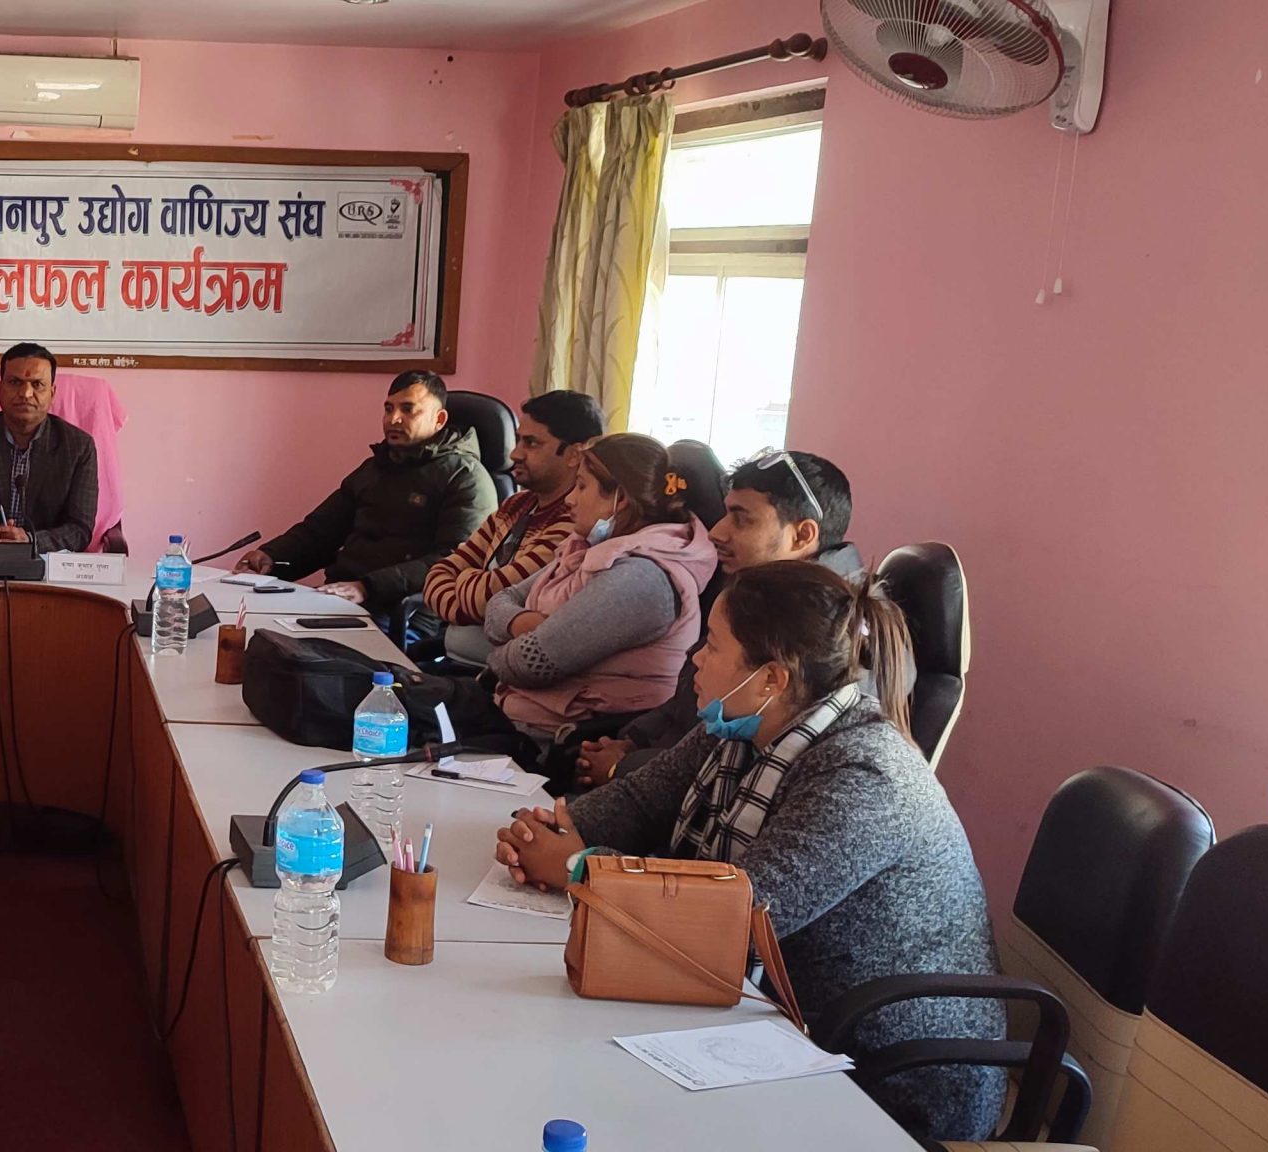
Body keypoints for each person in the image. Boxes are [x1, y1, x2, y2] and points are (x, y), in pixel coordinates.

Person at [493, 563, 1002, 1141]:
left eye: (712, 645)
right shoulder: (741, 724)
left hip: (888, 1078)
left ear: (770, 679)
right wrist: (552, 830)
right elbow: (641, 799)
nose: (696, 658)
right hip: (773, 1020)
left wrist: (577, 866)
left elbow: (736, 918)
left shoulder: (866, 773)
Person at [420, 434, 716, 769]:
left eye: (582, 486)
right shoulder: (583, 546)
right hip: (511, 715)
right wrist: (529, 626)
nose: (570, 500)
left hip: (547, 744)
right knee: (394, 695)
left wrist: (507, 647)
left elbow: (528, 664)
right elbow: (500, 600)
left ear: (619, 499)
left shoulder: (643, 578)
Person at [578, 450, 863, 785]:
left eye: (742, 519)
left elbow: (741, 761)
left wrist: (624, 766)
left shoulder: (833, 635)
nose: (716, 532)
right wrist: (632, 741)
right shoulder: (757, 595)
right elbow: (686, 700)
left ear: (802, 536)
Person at [235, 371, 497, 617]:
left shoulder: (465, 477)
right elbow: (320, 532)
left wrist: (367, 587)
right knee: (256, 628)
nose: (393, 419)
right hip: (340, 598)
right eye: (388, 409)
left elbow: (456, 562)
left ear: (439, 420)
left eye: (408, 409)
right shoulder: (375, 468)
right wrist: (272, 557)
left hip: (406, 614)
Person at [412, 390, 605, 657]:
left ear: (574, 454)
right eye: (518, 440)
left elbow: (495, 598)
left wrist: (464, 582)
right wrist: (474, 593)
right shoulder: (516, 504)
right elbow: (437, 575)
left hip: (500, 673)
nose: (515, 454)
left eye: (531, 443)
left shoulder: (575, 522)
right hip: (455, 661)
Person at [0, 342, 100, 553]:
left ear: (52, 393)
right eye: (15, 382)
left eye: (37, 384)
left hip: (45, 564)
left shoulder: (78, 447)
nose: (26, 393)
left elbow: (80, 529)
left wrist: (30, 541)